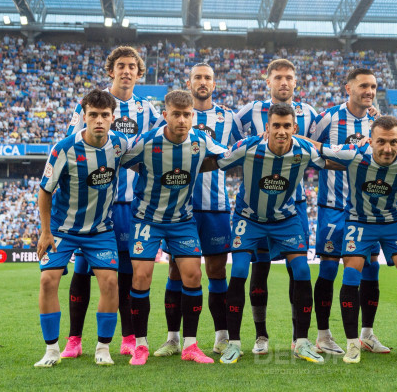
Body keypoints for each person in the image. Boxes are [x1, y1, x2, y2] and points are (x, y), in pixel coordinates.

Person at [61, 46, 163, 359]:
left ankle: (129, 337)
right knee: (82, 270)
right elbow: (71, 146)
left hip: (132, 202)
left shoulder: (148, 110)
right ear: (111, 70)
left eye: (133, 66)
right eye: (121, 65)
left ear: (139, 72)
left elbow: (158, 145)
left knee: (126, 273)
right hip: (93, 203)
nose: (127, 71)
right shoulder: (92, 103)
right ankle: (74, 340)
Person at [311, 115, 397, 364]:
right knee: (351, 274)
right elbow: (316, 146)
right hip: (360, 221)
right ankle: (352, 345)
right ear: (370, 140)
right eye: (381, 142)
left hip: (394, 222)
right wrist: (282, 135)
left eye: (393, 142)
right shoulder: (354, 154)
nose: (387, 149)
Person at [122, 90, 226, 366]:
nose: (182, 120)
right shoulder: (147, 141)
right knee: (141, 277)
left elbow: (227, 157)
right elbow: (120, 159)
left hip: (182, 220)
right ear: (165, 115)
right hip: (147, 219)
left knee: (193, 275)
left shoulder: (201, 140)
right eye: (176, 114)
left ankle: (190, 346)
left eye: (187, 114)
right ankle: (140, 345)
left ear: (193, 115)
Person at [217, 103, 327, 365]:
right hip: (249, 217)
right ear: (266, 127)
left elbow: (334, 160)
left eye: (286, 126)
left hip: (285, 219)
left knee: (301, 271)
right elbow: (219, 161)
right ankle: (233, 343)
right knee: (241, 271)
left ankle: (301, 341)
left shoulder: (305, 150)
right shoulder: (249, 146)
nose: (281, 131)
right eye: (275, 125)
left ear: (295, 128)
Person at [153, 63, 242, 358]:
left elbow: (236, 153)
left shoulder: (229, 117)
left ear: (214, 84)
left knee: (216, 270)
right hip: (180, 209)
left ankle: (221, 336)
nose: (202, 82)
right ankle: (173, 338)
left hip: (216, 207)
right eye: (197, 78)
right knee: (177, 271)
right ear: (188, 83)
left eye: (207, 78)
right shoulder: (170, 116)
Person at [34, 89, 128, 367]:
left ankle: (103, 348)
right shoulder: (64, 148)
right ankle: (51, 350)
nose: (99, 120)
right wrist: (45, 231)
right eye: (93, 115)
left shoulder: (121, 144)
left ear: (113, 118)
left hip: (100, 230)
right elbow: (44, 190)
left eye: (104, 115)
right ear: (84, 117)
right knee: (48, 280)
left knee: (111, 283)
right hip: (63, 230)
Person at [233, 59, 317, 354]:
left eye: (289, 78)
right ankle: (260, 336)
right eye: (278, 77)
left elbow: (315, 152)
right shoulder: (247, 112)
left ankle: (299, 338)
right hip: (256, 207)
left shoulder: (310, 113)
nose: (284, 82)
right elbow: (232, 147)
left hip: (294, 205)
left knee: (299, 270)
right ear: (267, 80)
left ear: (296, 82)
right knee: (259, 266)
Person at [310, 68, 390, 355]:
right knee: (330, 267)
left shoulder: (377, 122)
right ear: (348, 88)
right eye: (364, 86)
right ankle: (323, 335)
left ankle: (367, 334)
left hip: (365, 210)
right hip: (333, 205)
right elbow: (309, 150)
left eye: (374, 86)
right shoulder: (328, 118)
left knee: (371, 267)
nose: (369, 91)